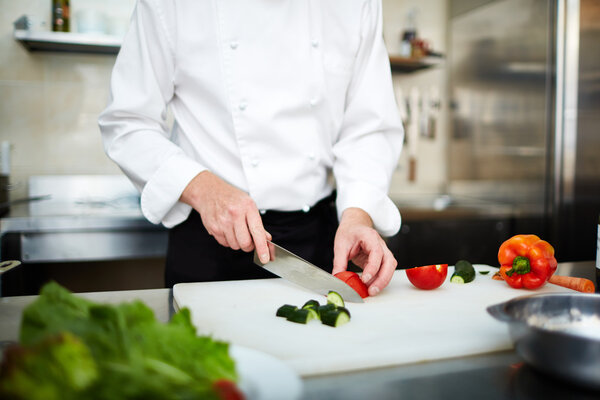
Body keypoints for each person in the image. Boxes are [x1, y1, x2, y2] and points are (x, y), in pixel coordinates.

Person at [98, 0, 404, 296]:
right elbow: (127, 122)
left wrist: (357, 216)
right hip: (209, 244)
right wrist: (203, 189)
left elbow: (369, 128)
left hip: (315, 244)